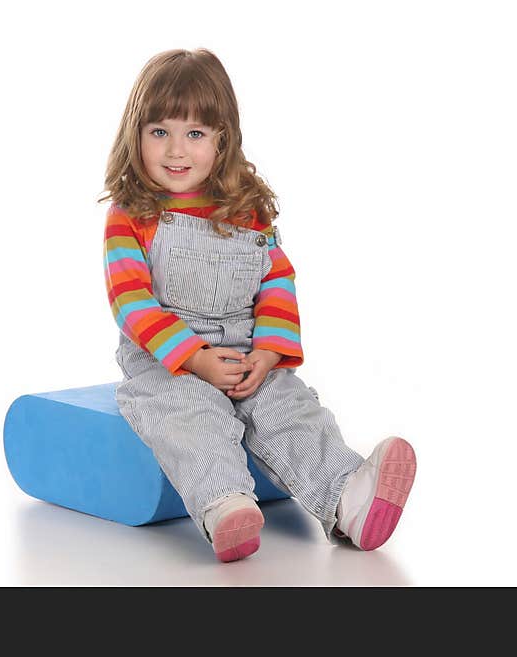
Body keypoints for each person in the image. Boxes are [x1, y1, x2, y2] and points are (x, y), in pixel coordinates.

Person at [102, 48, 416, 563]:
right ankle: (225, 506)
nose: (176, 150)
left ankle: (348, 497)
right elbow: (130, 301)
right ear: (135, 133)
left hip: (247, 350)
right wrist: (196, 359)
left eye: (195, 134)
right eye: (159, 132)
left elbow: (276, 279)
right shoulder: (131, 214)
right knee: (191, 414)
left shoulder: (245, 208)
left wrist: (269, 353)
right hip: (167, 358)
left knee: (287, 408)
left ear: (222, 138)